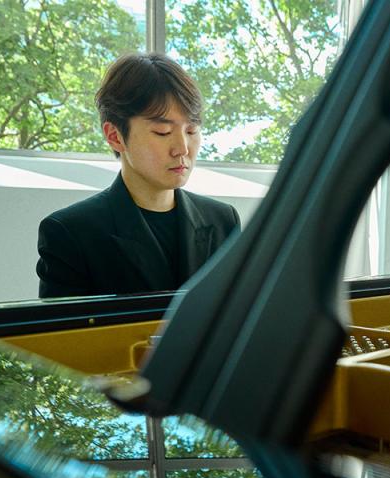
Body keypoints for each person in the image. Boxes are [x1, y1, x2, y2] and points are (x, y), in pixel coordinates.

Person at [36, 53, 240, 298]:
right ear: (114, 136)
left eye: (191, 130)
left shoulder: (223, 221)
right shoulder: (70, 233)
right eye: (162, 132)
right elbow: (68, 336)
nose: (182, 148)